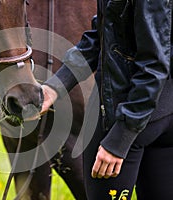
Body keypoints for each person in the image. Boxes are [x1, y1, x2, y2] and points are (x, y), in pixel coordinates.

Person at [40, 0, 173, 199]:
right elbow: (102, 34)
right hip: (162, 113)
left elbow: (153, 67)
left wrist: (120, 138)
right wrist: (55, 87)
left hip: (121, 119)